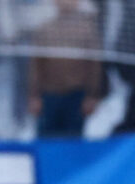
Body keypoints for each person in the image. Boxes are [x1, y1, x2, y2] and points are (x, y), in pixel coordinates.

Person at [28, 0, 102, 137]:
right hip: (49, 96)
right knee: (47, 140)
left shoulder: (87, 29)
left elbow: (94, 66)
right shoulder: (45, 28)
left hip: (76, 95)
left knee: (72, 140)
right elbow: (36, 66)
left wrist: (92, 95)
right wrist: (34, 96)